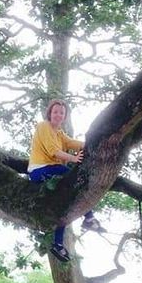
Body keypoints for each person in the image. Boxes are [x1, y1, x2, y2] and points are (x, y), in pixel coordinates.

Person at [28, 98, 104, 263]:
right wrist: (73, 159)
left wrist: (93, 143)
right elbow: (53, 151)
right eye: (55, 111)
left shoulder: (60, 133)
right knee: (70, 174)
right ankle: (90, 218)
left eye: (61, 112)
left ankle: (58, 244)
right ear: (50, 113)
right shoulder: (44, 126)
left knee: (64, 206)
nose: (58, 114)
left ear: (64, 116)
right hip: (39, 170)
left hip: (53, 172)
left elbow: (73, 143)